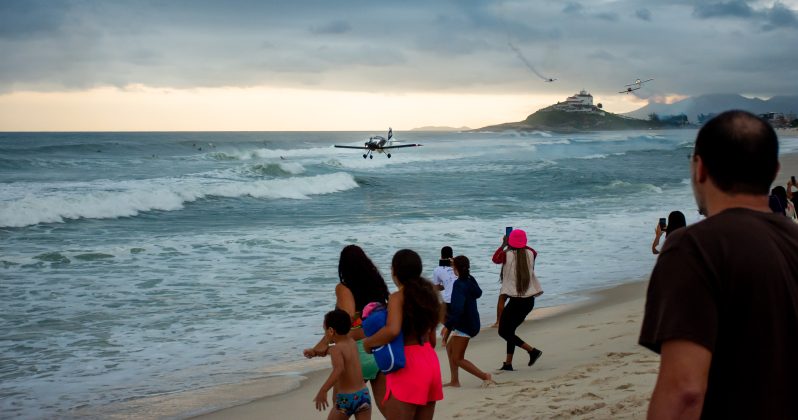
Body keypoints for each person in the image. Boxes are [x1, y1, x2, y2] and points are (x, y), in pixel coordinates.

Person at [639, 110, 798, 419]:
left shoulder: (693, 247)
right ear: (774, 170)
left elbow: (684, 392)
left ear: (700, 169)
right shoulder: (793, 240)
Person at [304, 245, 390, 417]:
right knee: (387, 408)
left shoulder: (343, 287)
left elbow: (346, 319)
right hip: (380, 350)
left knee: (341, 406)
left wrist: (321, 346)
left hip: (357, 354)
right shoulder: (377, 282)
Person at [363, 249, 443, 420]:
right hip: (430, 361)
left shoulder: (398, 297)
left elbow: (392, 330)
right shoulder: (429, 295)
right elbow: (432, 340)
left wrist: (368, 343)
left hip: (407, 364)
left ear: (395, 271)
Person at [491, 229, 544, 371]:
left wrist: (503, 244)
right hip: (528, 301)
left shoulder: (506, 254)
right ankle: (508, 364)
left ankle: (532, 351)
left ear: (510, 241)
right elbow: (530, 249)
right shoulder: (531, 253)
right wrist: (519, 244)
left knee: (503, 332)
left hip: (516, 301)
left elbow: (495, 258)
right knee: (510, 331)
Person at [441, 255, 494, 388]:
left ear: (456, 269)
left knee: (458, 358)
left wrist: (447, 326)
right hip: (472, 321)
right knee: (449, 348)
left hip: (465, 325)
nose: (452, 269)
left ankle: (485, 376)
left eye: (453, 267)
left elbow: (457, 309)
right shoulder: (470, 279)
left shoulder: (459, 284)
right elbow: (479, 293)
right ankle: (455, 381)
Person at [314, 309, 372, 419]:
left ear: (331, 331)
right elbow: (340, 352)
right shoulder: (352, 342)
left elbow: (339, 369)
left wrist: (323, 390)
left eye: (324, 330)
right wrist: (316, 352)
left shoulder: (336, 349)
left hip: (346, 398)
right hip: (363, 395)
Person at [431, 246, 457, 314]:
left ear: (441, 256)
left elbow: (436, 287)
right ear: (452, 256)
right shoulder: (458, 266)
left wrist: (445, 285)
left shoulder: (437, 270)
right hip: (462, 299)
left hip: (448, 301)